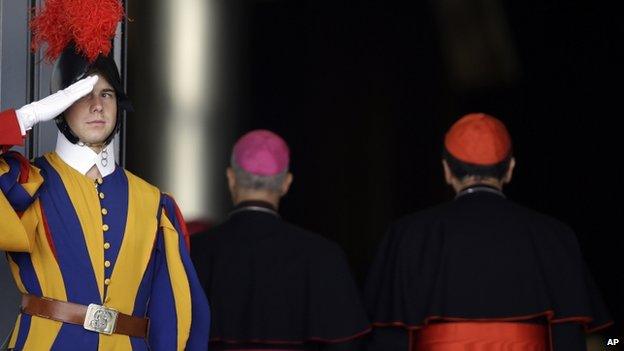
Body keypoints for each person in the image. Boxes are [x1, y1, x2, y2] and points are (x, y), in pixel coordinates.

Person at [0, 1, 210, 349]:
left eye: (106, 94)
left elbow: (174, 314)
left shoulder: (155, 204)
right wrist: (25, 117)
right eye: (81, 95)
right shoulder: (25, 182)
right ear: (60, 106)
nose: (97, 105)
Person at [364, 113, 612, 351]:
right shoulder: (555, 236)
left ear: (447, 171)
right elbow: (573, 341)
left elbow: (388, 341)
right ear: (510, 169)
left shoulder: (407, 235)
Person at [191, 130, 370, 351]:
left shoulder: (194, 251)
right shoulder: (324, 256)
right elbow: (346, 346)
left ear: (231, 178)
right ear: (286, 183)